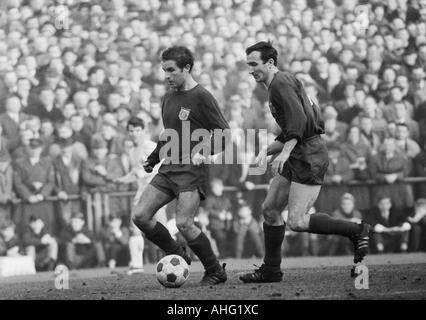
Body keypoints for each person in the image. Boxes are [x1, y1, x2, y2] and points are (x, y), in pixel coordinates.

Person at [240, 41, 371, 283]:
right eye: (248, 64)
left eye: (254, 64)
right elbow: (299, 124)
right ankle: (271, 270)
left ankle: (356, 230)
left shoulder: (280, 83)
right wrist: (267, 151)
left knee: (297, 221)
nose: (250, 69)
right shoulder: (280, 83)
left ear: (270, 63)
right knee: (269, 210)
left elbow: (299, 123)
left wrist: (284, 152)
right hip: (301, 150)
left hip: (309, 155)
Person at [131, 46, 230, 285]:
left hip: (191, 171)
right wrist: (154, 158)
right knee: (140, 216)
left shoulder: (201, 96)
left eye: (171, 70)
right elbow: (169, 134)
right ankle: (177, 253)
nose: (166, 75)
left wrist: (204, 151)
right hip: (168, 168)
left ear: (186, 68)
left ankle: (215, 270)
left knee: (185, 223)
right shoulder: (168, 97)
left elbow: (224, 134)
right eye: (164, 70)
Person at [114, 117, 167, 275]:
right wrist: (123, 179)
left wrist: (138, 173)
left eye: (138, 130)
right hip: (141, 193)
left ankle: (173, 259)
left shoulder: (150, 146)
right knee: (135, 228)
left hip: (156, 192)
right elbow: (136, 171)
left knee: (162, 229)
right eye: (131, 131)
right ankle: (137, 265)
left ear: (145, 131)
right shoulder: (132, 150)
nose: (134, 134)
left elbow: (160, 166)